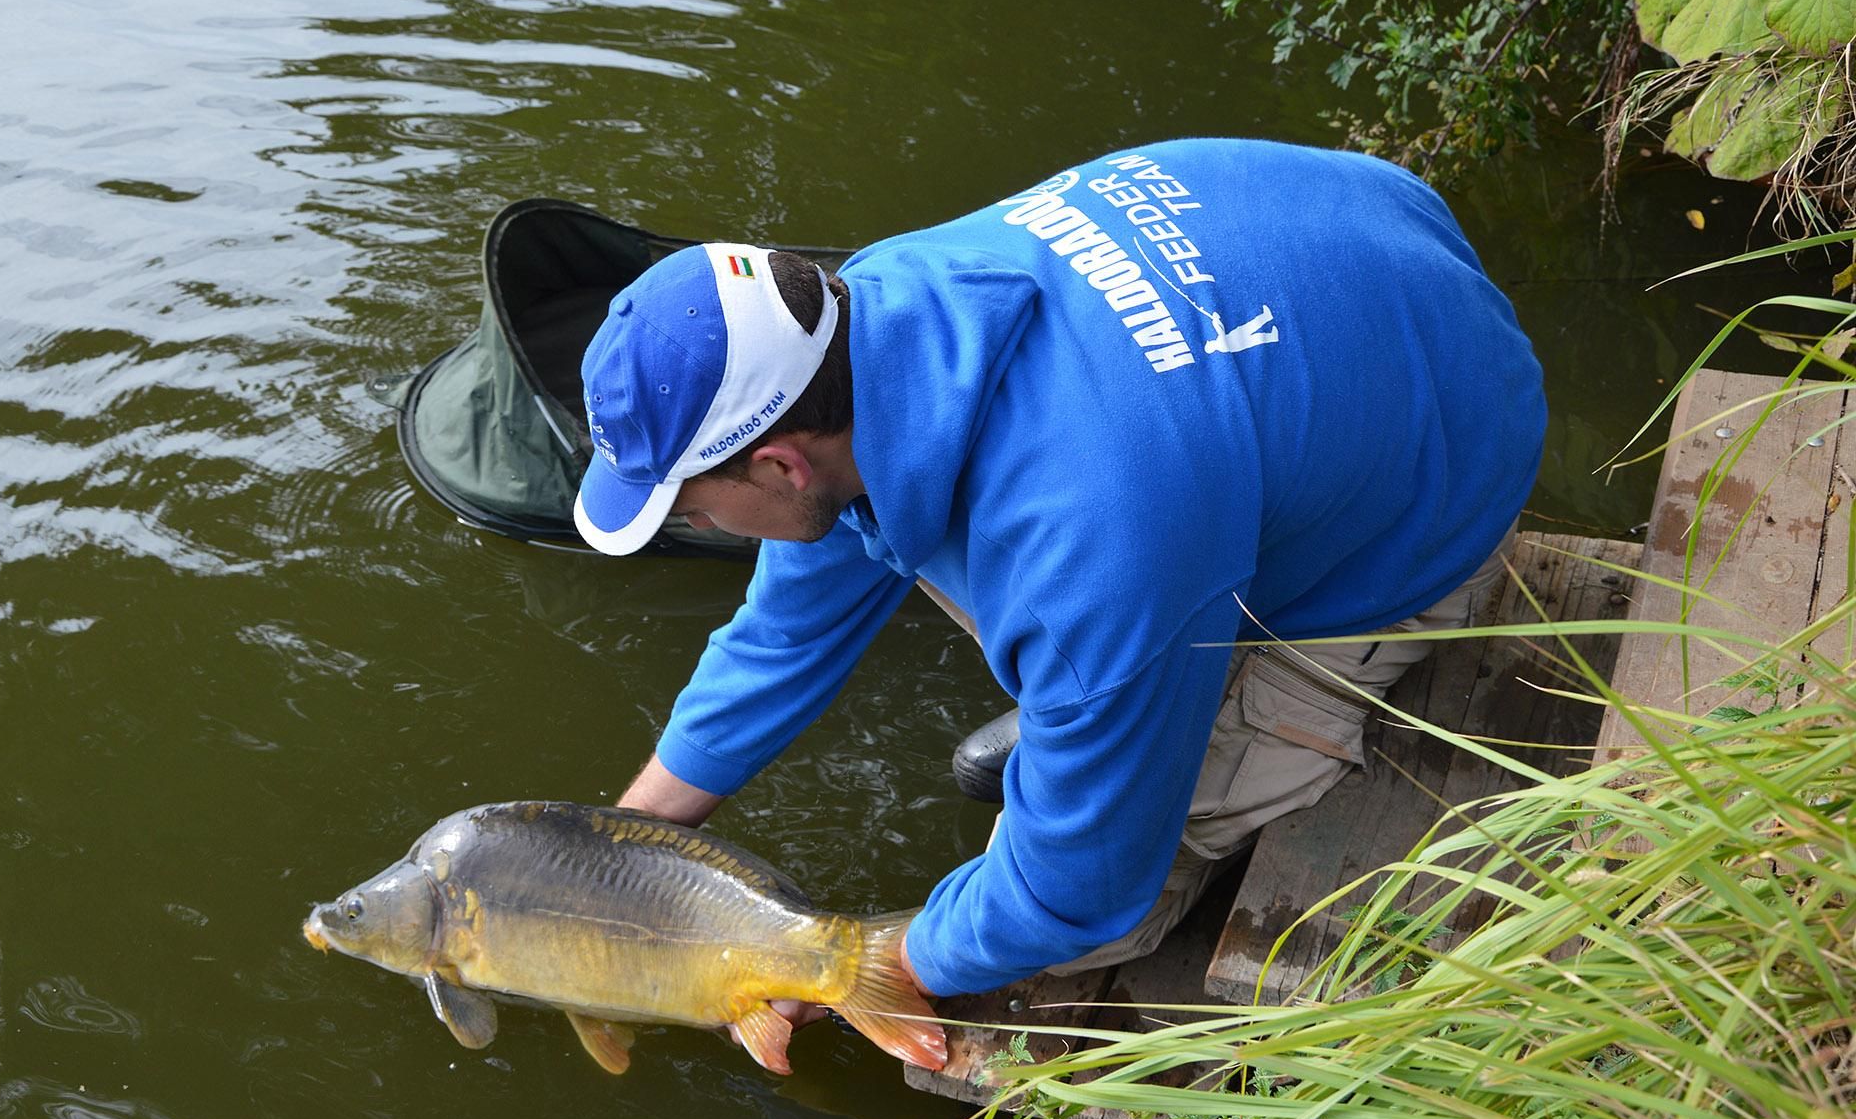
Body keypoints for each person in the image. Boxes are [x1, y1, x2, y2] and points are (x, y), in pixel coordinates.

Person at [570, 138, 1545, 1026]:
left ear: (779, 464)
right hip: (1364, 261)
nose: (687, 525)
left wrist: (850, 969)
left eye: (685, 506)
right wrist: (623, 846)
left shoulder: (1088, 547)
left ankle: (1131, 708)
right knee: (1095, 634)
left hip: (1439, 485)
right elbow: (787, 629)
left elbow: (1070, 889)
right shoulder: (871, 308)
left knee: (1108, 894)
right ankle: (1106, 705)